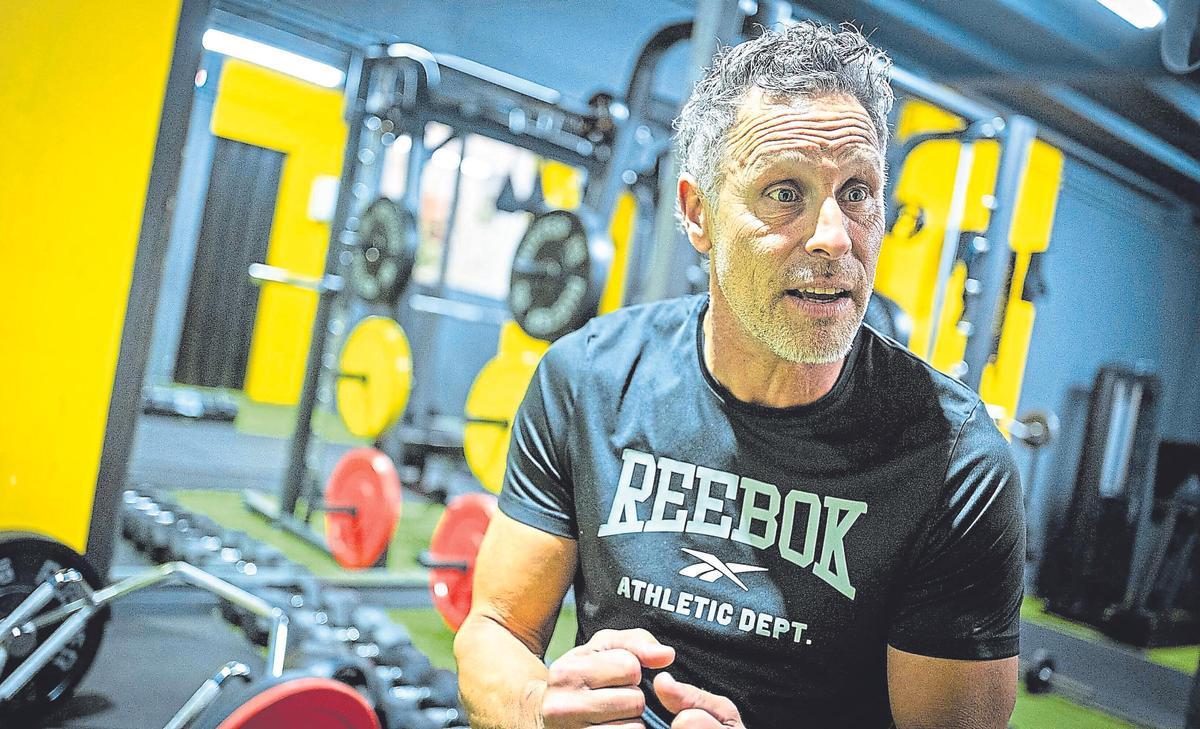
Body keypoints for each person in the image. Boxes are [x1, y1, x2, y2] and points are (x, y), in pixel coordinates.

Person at [455, 21, 1024, 729]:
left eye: (857, 192)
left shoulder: (954, 463)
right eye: (785, 193)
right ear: (698, 213)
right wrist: (536, 706)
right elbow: (497, 629)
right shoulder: (589, 379)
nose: (834, 237)